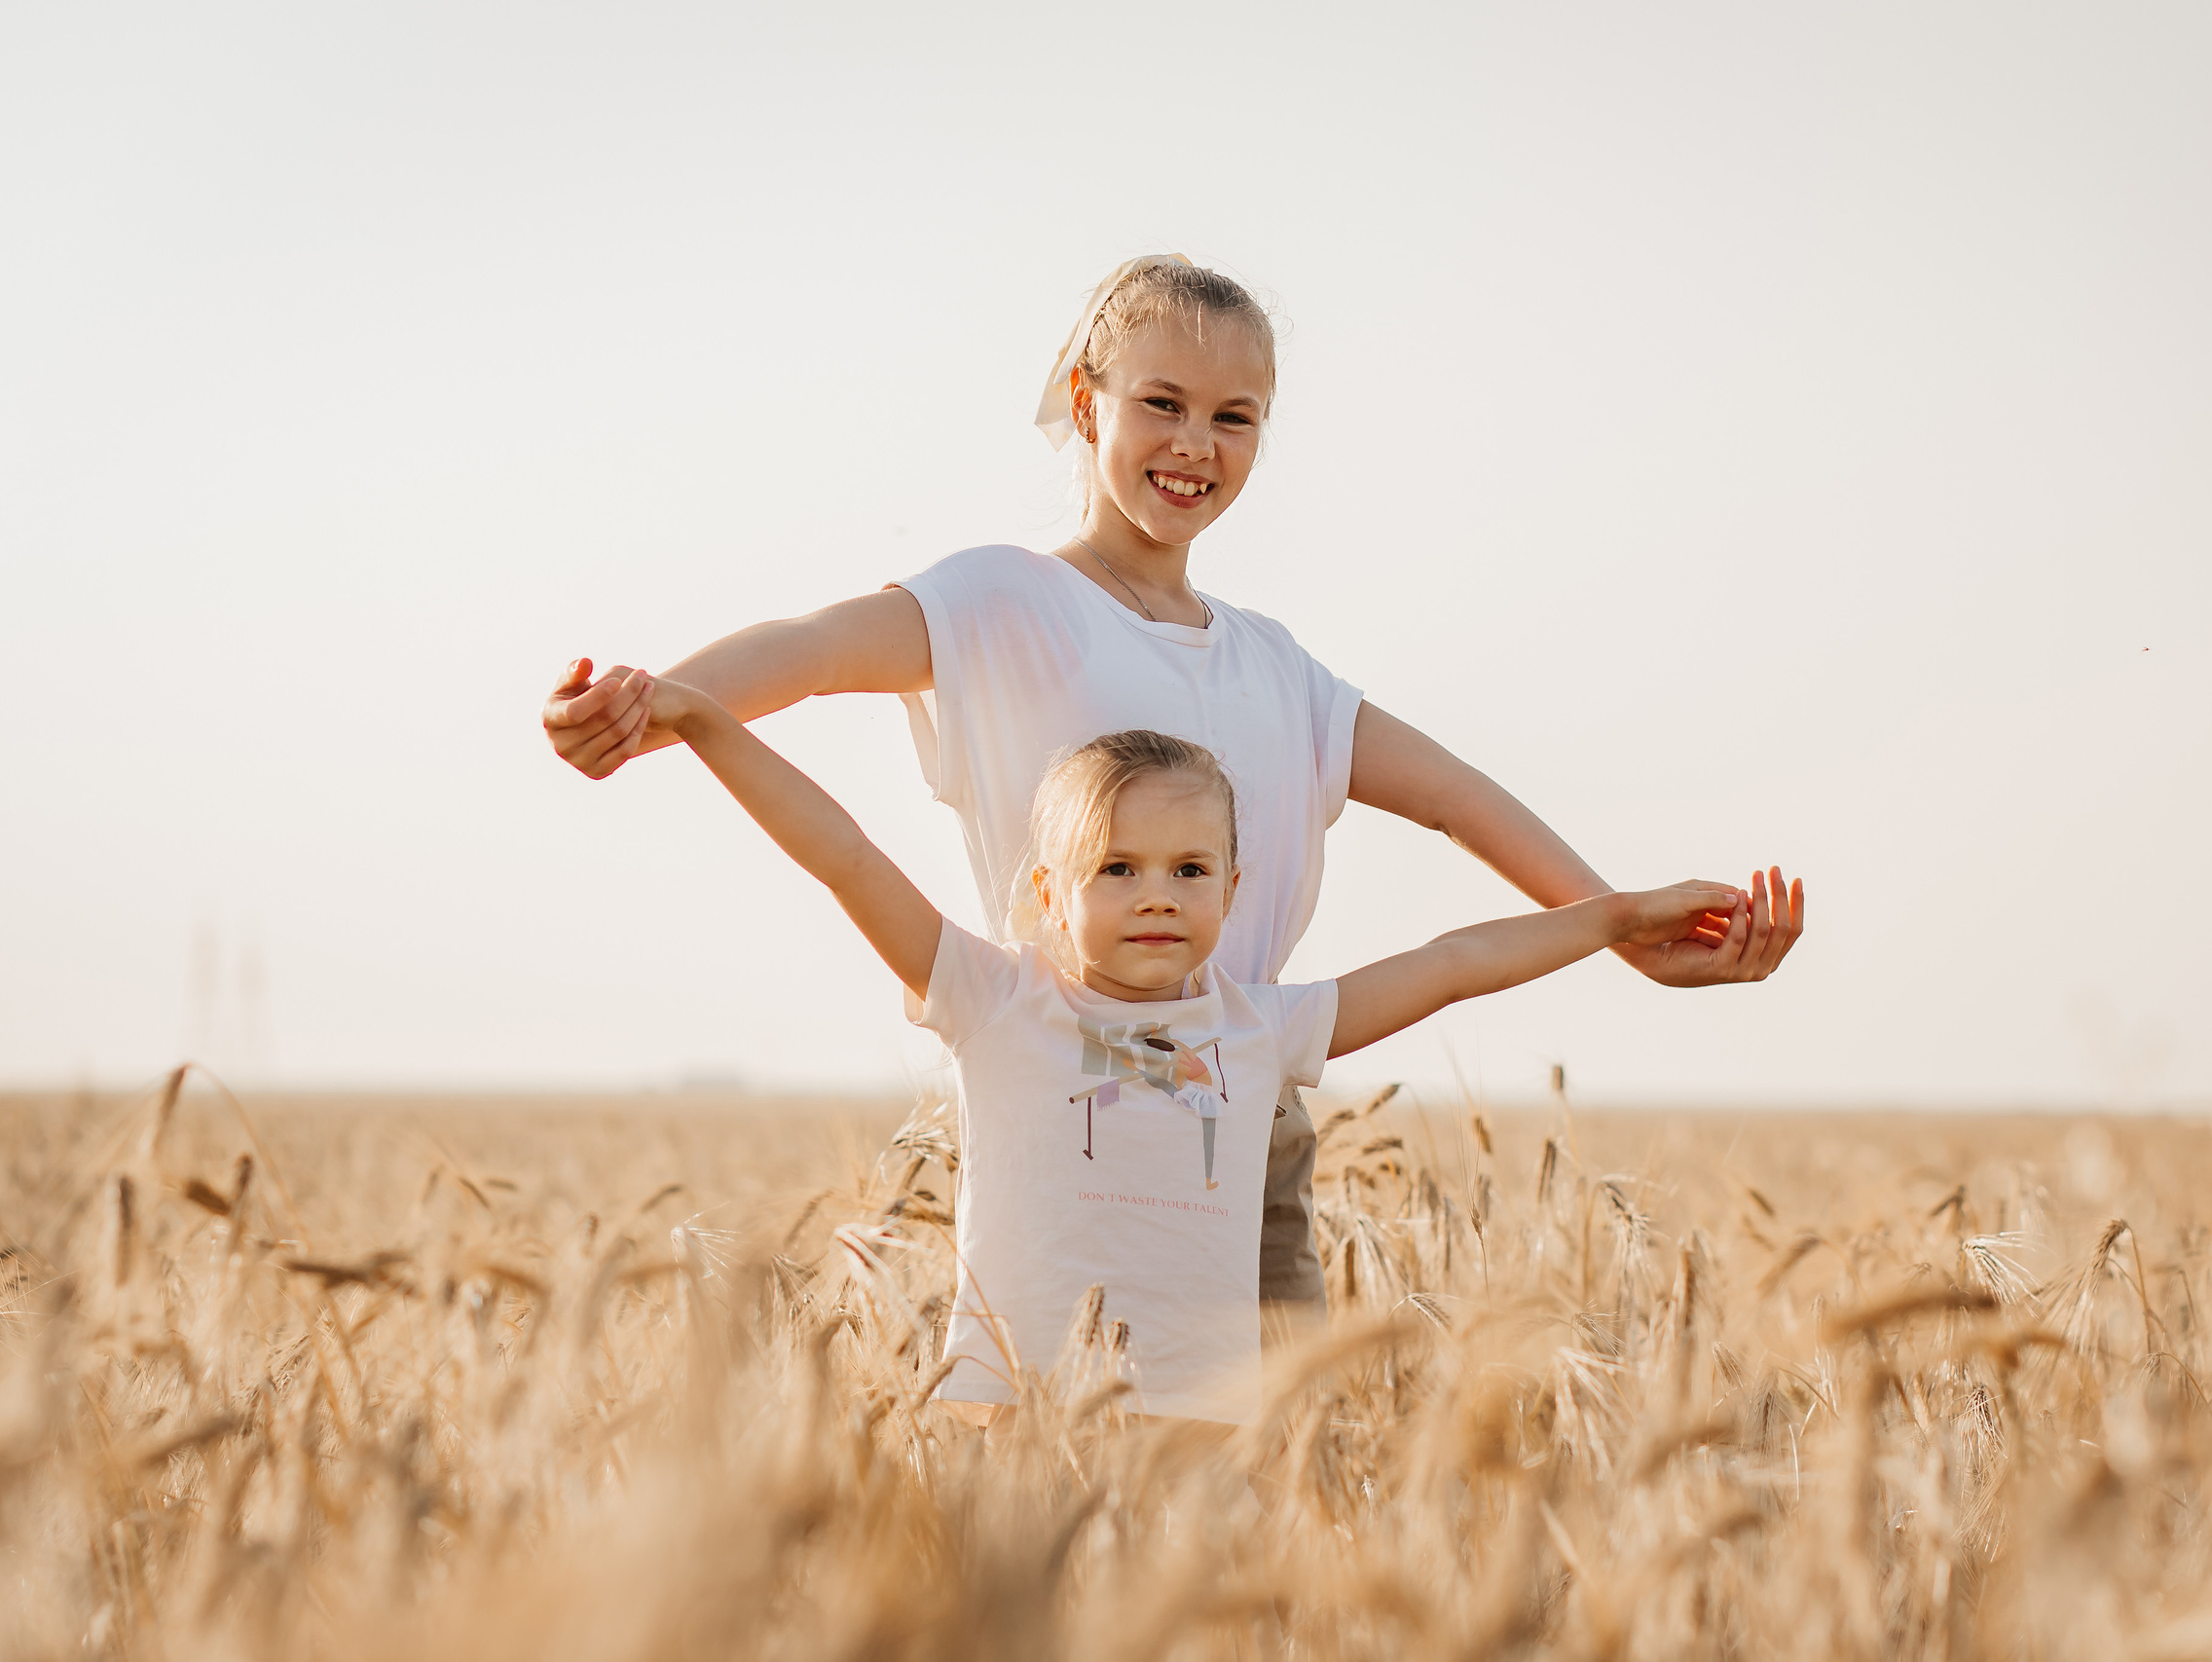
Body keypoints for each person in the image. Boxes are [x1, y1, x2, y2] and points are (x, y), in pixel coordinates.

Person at [540, 255, 1804, 1321]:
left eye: (1235, 414)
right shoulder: (1003, 601)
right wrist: (653, 709)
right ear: (1085, 404)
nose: (1196, 443)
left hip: (1249, 1117)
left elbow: (1458, 797)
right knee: (1055, 1447)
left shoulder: (1278, 668)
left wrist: (1622, 928)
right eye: (1161, 401)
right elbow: (809, 653)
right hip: (1068, 1105)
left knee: (1266, 1462)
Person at [625, 702, 1751, 1424]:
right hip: (1006, 1408)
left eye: (1188, 867)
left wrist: (1616, 916)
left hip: (1204, 1421)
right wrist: (709, 724)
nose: (1156, 892)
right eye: (1115, 868)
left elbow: (1455, 961)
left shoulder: (1259, 1030)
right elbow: (843, 853)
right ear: (1045, 898)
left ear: (1233, 886)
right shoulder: (992, 999)